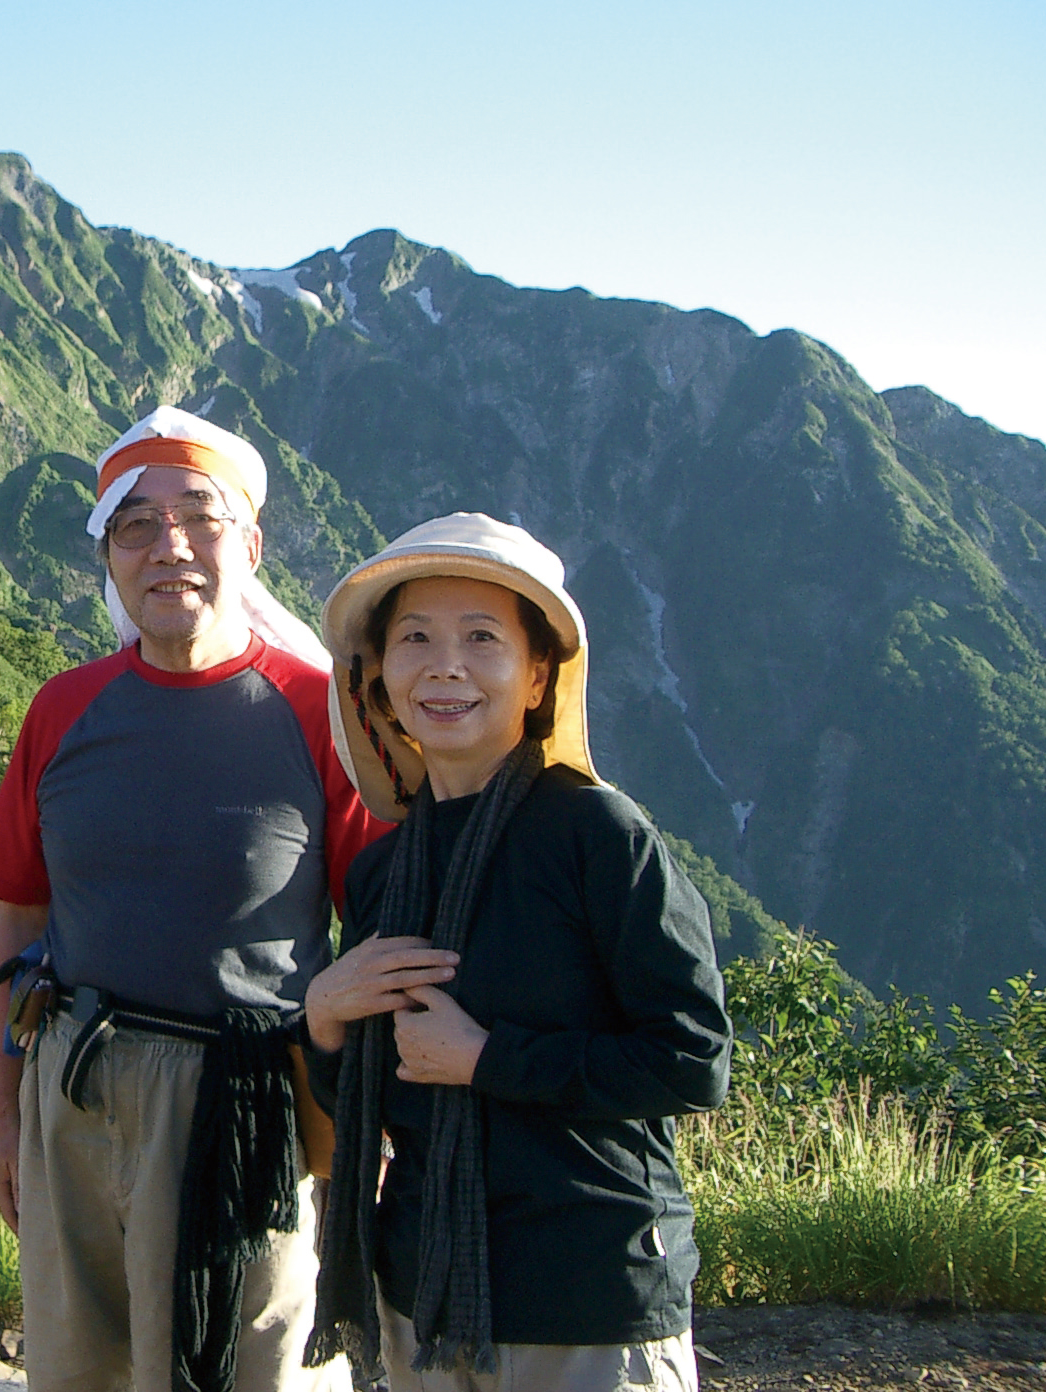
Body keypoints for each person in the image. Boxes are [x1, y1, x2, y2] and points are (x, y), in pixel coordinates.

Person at [0, 406, 388, 1392]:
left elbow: (381, 933)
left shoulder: (317, 715)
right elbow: (17, 915)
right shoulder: (63, 710)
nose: (169, 548)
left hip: (245, 1103)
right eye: (134, 526)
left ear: (245, 545)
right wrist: (0, 1114)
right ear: (108, 559)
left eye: (198, 517)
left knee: (252, 1368)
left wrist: (375, 1118)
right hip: (70, 1084)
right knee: (79, 1367)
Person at [301, 512, 732, 1392]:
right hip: (422, 1292)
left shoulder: (595, 837)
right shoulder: (387, 869)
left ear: (538, 676)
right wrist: (325, 1017)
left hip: (582, 1294)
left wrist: (490, 1059)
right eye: (414, 637)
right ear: (379, 677)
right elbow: (378, 1099)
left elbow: (692, 1060)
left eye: (482, 638)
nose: (445, 664)